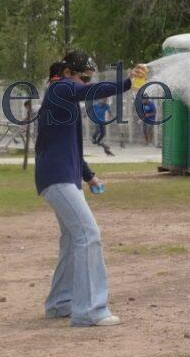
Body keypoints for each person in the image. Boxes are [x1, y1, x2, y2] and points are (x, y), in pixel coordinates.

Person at [35, 49, 147, 327]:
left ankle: (60, 303)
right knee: (89, 234)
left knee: (73, 239)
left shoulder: (66, 98)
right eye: (83, 77)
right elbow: (90, 91)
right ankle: (91, 310)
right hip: (57, 177)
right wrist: (127, 82)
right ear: (68, 73)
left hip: (63, 176)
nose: (86, 82)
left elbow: (68, 145)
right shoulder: (59, 88)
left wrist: (89, 177)